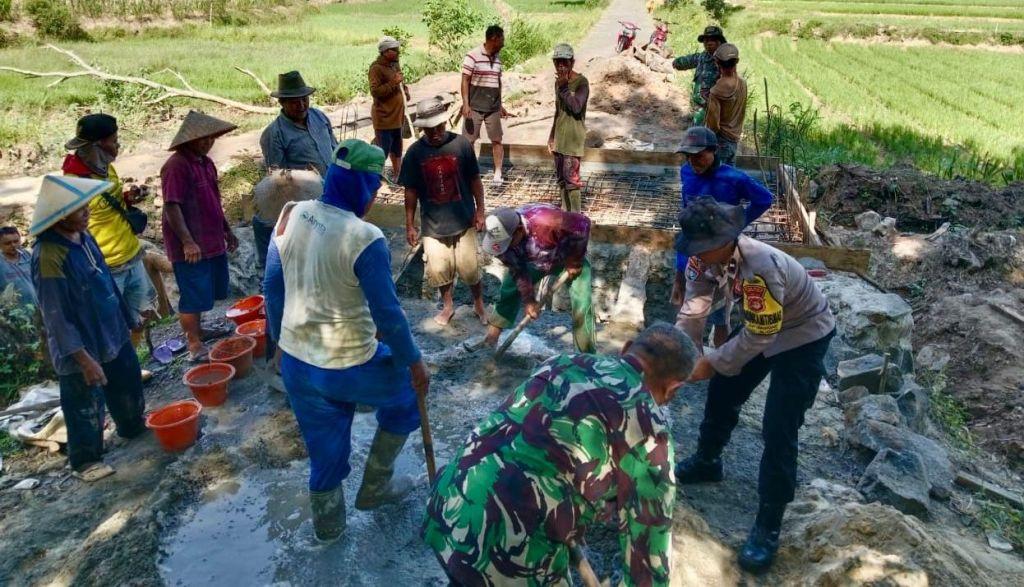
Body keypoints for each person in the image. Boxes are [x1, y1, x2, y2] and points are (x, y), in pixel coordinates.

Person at [423, 322, 698, 586]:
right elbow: (649, 566)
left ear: (626, 348)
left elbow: (532, 448)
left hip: (446, 505)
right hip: (503, 549)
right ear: (674, 388)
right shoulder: (651, 433)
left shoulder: (562, 362)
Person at [264, 139, 430, 542]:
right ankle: (376, 487)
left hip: (298, 366)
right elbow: (388, 316)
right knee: (408, 395)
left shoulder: (291, 213)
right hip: (349, 364)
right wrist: (414, 363)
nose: (373, 199)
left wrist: (280, 342)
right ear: (361, 186)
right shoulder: (365, 237)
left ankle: (329, 536)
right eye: (374, 189)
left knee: (324, 458)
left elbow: (273, 287)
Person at [673, 198, 836, 573]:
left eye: (703, 247)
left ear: (726, 240)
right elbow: (694, 309)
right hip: (762, 326)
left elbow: (762, 335)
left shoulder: (761, 267)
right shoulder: (702, 259)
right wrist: (685, 355)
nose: (697, 254)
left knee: (780, 424)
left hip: (804, 334)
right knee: (723, 390)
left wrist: (711, 362)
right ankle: (708, 460)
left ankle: (769, 523)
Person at [30, 175, 147, 482]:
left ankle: (131, 426)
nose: (87, 212)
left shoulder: (85, 237)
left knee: (127, 381)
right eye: (79, 209)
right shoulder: (48, 255)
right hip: (79, 342)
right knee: (84, 404)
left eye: (85, 206)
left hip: (111, 330)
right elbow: (55, 315)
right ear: (59, 216)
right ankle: (86, 461)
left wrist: (128, 317)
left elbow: (106, 281)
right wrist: (83, 359)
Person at [671, 126, 773, 348]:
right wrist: (679, 273)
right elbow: (687, 222)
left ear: (714, 151)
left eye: (699, 156)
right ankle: (691, 360)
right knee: (689, 316)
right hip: (696, 254)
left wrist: (737, 224)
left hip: (723, 256)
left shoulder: (733, 179)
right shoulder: (686, 172)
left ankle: (720, 359)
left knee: (720, 317)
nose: (693, 162)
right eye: (689, 157)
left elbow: (764, 199)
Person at [62, 113, 157, 349]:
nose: (118, 145)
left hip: (131, 254)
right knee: (113, 325)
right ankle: (120, 362)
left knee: (140, 317)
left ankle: (136, 359)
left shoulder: (106, 168)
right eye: (114, 141)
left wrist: (128, 197)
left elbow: (109, 204)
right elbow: (71, 226)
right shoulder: (73, 183)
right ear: (97, 145)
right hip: (105, 266)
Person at [399, 96, 487, 326]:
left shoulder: (461, 145)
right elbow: (410, 191)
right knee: (439, 269)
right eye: (429, 129)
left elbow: (475, 180)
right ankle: (448, 306)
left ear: (445, 123)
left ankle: (478, 303)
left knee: (470, 267)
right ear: (422, 129)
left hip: (464, 218)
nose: (435, 132)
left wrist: (480, 211)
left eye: (438, 127)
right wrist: (409, 224)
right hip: (433, 224)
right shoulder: (415, 154)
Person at [161, 111, 239, 361]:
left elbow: (214, 200)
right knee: (193, 294)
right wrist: (187, 241)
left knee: (208, 290)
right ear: (189, 140)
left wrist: (227, 229)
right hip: (191, 244)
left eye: (211, 138)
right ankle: (193, 343)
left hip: (211, 238)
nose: (208, 143)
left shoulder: (206, 163)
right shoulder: (176, 166)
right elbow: (171, 205)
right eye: (203, 139)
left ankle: (200, 330)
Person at [481, 204, 595, 353]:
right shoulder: (502, 243)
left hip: (566, 256)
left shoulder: (546, 221)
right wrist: (529, 300)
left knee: (582, 300)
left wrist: (575, 260)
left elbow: (583, 223)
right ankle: (492, 337)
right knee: (510, 288)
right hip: (535, 261)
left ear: (519, 231)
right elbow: (518, 271)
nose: (504, 248)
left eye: (507, 242)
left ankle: (586, 354)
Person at [257, 71, 338, 269]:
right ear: (282, 103)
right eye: (294, 102)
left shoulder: (319, 117)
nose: (301, 105)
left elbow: (335, 148)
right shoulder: (274, 134)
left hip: (332, 190)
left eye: (304, 99)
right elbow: (278, 179)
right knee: (307, 249)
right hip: (305, 200)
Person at [462, 24, 510, 184]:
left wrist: (500, 104)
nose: (503, 43)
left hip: (493, 108)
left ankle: (498, 173)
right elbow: (465, 80)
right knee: (468, 141)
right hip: (474, 106)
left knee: (497, 140)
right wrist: (466, 104)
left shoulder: (498, 59)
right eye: (502, 40)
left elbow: (498, 82)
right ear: (494, 39)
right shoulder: (473, 56)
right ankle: (469, 173)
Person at [547, 43, 589, 213]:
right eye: (557, 62)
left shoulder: (581, 83)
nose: (561, 66)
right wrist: (551, 136)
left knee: (572, 181)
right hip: (559, 139)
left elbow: (576, 107)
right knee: (562, 180)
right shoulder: (558, 83)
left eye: (564, 62)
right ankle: (565, 213)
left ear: (572, 62)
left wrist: (564, 87)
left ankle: (576, 216)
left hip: (572, 140)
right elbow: (558, 111)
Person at [369, 36, 411, 179]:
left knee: (397, 149)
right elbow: (375, 92)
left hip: (397, 117)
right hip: (384, 119)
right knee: (382, 152)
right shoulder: (376, 68)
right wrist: (393, 82)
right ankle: (375, 179)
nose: (398, 52)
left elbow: (400, 81)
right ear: (385, 52)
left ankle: (398, 175)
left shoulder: (394, 65)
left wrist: (405, 90)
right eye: (394, 50)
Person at [672, 25, 726, 126]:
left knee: (702, 131)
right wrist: (677, 62)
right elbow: (690, 60)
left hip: (713, 109)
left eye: (713, 40)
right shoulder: (703, 57)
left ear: (720, 42)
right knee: (696, 129)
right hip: (699, 107)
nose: (709, 43)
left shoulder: (724, 61)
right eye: (706, 40)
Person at [705, 43, 747, 166]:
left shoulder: (717, 91)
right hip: (734, 140)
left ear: (717, 63)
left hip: (721, 142)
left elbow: (713, 125)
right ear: (736, 62)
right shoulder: (743, 83)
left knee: (717, 175)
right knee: (729, 174)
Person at [0, 226, 36, 306]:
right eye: (8, 243)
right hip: (14, 310)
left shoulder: (28, 255)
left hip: (39, 306)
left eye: (16, 241)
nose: (13, 245)